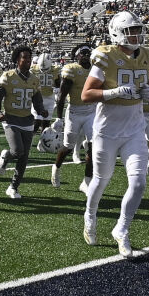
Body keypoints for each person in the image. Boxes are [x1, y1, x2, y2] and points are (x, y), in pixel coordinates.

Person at [82, 11, 149, 257]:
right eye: (130, 31)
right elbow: (86, 94)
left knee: (139, 182)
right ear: (116, 33)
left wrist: (148, 93)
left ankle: (122, 228)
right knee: (101, 180)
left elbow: (144, 86)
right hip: (107, 129)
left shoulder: (147, 55)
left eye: (137, 30)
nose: (135, 35)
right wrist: (113, 93)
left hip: (135, 128)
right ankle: (90, 215)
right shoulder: (106, 55)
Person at [0, 44, 46, 199]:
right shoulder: (8, 76)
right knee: (17, 151)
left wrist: (41, 109)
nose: (28, 60)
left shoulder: (34, 79)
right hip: (11, 119)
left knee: (24, 158)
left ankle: (13, 187)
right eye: (24, 57)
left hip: (27, 120)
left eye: (29, 57)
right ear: (17, 59)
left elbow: (37, 99)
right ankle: (5, 156)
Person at [51, 43, 95, 191]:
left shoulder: (96, 69)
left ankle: (87, 182)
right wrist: (59, 118)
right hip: (75, 112)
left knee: (93, 147)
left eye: (89, 53)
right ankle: (56, 168)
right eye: (83, 53)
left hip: (92, 111)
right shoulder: (72, 70)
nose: (86, 56)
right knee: (68, 146)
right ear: (77, 55)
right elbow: (61, 96)